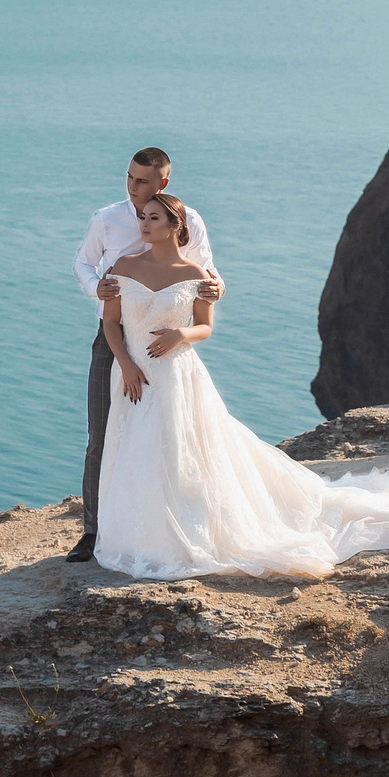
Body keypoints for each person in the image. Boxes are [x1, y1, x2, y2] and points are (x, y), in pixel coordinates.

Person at [91, 190, 389, 579]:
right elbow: (111, 324)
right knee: (133, 445)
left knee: (178, 449)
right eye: (143, 218)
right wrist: (127, 365)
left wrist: (181, 334)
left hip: (177, 374)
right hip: (132, 373)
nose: (144, 224)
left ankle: (184, 528)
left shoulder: (197, 275)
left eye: (153, 219)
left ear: (175, 227)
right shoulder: (122, 267)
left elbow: (205, 327)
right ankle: (139, 534)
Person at [68, 147, 221, 561]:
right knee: (102, 434)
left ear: (163, 183)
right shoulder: (107, 218)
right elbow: (83, 264)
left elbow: (207, 272)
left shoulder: (189, 219)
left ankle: (175, 524)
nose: (133, 188)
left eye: (143, 181)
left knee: (173, 436)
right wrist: (94, 287)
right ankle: (93, 532)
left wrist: (215, 290)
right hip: (115, 338)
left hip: (170, 349)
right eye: (129, 178)